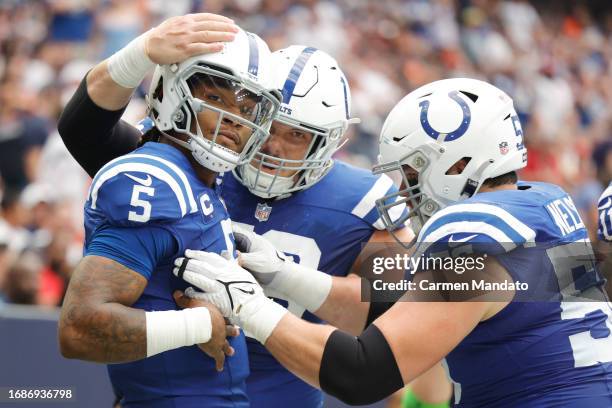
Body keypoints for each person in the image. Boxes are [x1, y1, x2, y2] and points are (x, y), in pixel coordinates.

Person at [56, 24, 450, 408]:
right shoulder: (196, 157)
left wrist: (289, 280)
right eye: (268, 123)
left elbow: (393, 308)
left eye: (297, 136)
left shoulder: (362, 200)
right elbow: (85, 130)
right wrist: (140, 52)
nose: (272, 146)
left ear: (326, 143)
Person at [175, 78, 612, 407]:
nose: (404, 190)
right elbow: (398, 297)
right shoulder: (545, 202)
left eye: (412, 171)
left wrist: (251, 307)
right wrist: (286, 276)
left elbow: (364, 372)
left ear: (459, 162)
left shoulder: (473, 241)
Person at [58, 15, 282, 407]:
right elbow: (79, 330)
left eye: (248, 109)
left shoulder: (204, 180)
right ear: (172, 92)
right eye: (216, 99)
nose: (235, 120)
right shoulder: (156, 179)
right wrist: (196, 324)